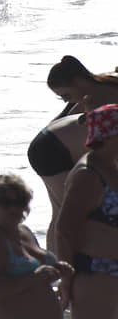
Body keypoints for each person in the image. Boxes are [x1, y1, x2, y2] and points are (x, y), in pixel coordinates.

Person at [30, 56, 118, 252]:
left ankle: (59, 268)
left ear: (77, 82)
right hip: (51, 150)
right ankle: (68, 268)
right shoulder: (99, 93)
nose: (68, 101)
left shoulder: (98, 90)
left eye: (66, 96)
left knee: (62, 212)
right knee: (72, 215)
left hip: (49, 144)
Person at [0, 174, 73, 319]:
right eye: (5, 203)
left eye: (20, 201)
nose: (14, 208)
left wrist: (59, 270)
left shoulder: (25, 232)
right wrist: (34, 278)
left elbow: (36, 279)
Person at [55, 104, 118, 318]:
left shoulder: (112, 166)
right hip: (96, 271)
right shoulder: (87, 175)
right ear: (108, 136)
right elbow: (64, 230)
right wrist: (66, 279)